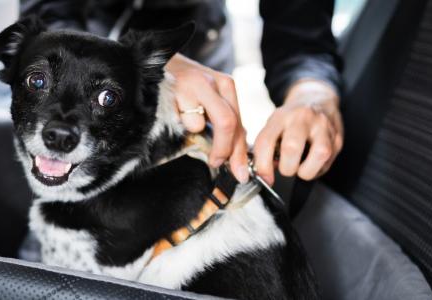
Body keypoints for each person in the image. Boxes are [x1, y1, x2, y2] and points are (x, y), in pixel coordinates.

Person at [22, 0, 343, 185]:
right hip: (87, 29)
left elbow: (301, 38)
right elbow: (49, 11)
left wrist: (313, 96)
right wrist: (135, 65)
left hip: (199, 38)